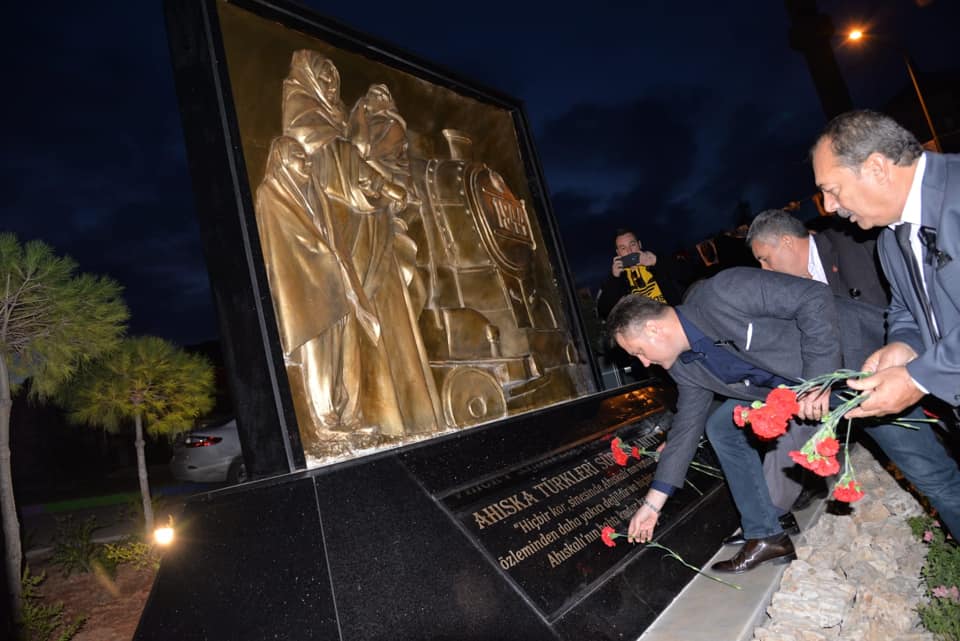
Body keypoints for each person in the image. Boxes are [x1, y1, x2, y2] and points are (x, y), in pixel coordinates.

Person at [606, 267, 840, 573]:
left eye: (639, 352)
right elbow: (686, 430)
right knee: (720, 425)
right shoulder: (683, 367)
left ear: (653, 329)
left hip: (851, 360)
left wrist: (818, 380)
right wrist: (652, 505)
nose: (644, 362)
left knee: (913, 454)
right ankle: (767, 533)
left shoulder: (723, 292)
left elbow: (815, 295)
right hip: (788, 393)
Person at [747, 209, 960, 536]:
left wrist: (911, 356)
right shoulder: (785, 292)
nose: (763, 269)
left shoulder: (859, 243)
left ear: (787, 242)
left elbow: (912, 305)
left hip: (935, 364)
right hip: (876, 393)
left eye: (765, 258)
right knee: (936, 478)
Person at [811, 110, 960, 427]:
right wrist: (905, 346)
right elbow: (906, 310)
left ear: (877, 168)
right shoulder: (890, 240)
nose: (829, 207)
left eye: (832, 190)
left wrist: (918, 379)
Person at [596, 229, 685, 319]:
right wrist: (614, 278)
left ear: (640, 244)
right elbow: (603, 311)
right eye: (623, 248)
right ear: (618, 253)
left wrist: (656, 262)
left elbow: (687, 273)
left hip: (673, 318)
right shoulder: (617, 278)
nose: (629, 251)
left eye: (632, 244)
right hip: (643, 328)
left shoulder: (656, 260)